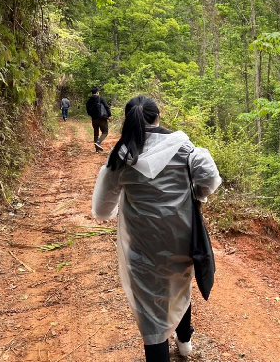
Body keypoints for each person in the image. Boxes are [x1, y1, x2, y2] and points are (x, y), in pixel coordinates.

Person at [91, 95, 221, 361]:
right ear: (158, 116)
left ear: (129, 121)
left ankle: (164, 347)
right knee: (178, 286)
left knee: (152, 312)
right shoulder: (184, 148)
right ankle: (184, 343)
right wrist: (195, 193)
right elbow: (208, 178)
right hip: (182, 239)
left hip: (142, 246)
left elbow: (102, 210)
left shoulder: (121, 156)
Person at [85, 88, 111, 153]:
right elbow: (106, 106)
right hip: (101, 118)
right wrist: (109, 115)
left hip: (94, 119)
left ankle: (97, 150)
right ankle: (98, 142)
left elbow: (87, 110)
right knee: (105, 132)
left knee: (96, 133)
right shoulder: (100, 98)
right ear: (97, 92)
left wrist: (92, 116)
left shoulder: (89, 100)